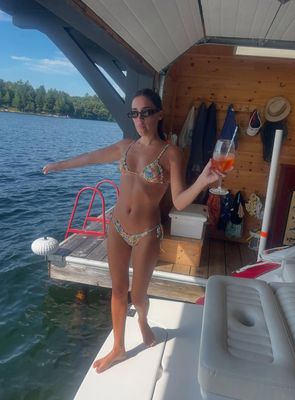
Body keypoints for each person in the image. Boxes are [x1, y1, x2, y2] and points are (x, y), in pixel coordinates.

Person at [43, 88, 221, 373]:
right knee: (118, 290)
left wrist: (202, 181)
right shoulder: (125, 146)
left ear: (159, 114)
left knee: (138, 297)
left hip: (146, 234)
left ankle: (141, 319)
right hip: (116, 227)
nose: (140, 119)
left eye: (146, 112)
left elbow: (178, 201)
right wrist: (57, 165)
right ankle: (119, 348)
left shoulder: (171, 153)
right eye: (135, 113)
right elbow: (90, 157)